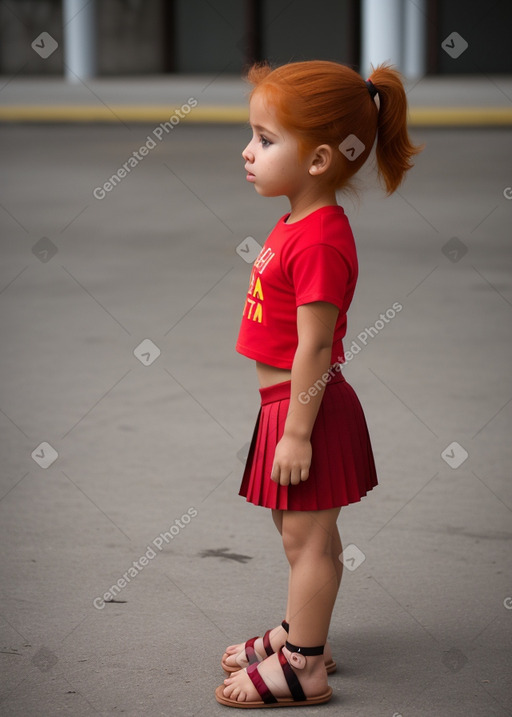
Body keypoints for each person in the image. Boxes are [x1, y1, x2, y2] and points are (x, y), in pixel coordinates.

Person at [215, 59, 422, 708]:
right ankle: (303, 632)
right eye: (252, 135)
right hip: (284, 405)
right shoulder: (297, 221)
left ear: (319, 159)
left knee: (306, 539)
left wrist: (298, 431)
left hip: (306, 408)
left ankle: (304, 665)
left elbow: (316, 344)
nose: (248, 152)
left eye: (266, 140)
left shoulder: (322, 239)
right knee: (303, 534)